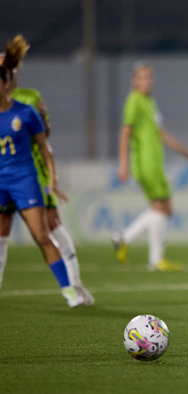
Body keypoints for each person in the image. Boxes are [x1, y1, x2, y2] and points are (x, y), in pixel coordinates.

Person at [0, 36, 94, 305]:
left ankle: (73, 286)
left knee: (47, 228)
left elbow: (45, 138)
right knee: (4, 231)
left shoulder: (28, 101)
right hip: (4, 177)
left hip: (31, 173)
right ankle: (74, 286)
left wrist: (51, 177)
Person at [112, 63, 188, 272]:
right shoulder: (134, 101)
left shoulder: (148, 102)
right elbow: (125, 131)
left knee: (162, 209)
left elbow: (160, 133)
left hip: (155, 162)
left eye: (149, 77)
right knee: (164, 208)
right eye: (142, 77)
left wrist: (184, 151)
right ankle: (135, 245)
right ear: (134, 80)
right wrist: (123, 164)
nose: (147, 81)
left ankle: (137, 247)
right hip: (145, 163)